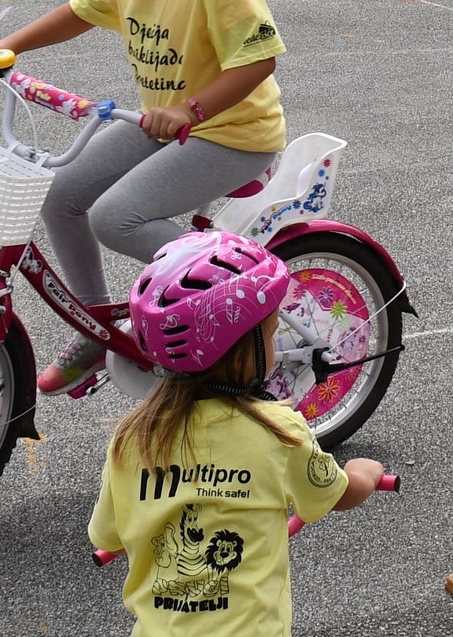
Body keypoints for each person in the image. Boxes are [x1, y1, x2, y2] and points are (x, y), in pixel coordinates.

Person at [0, 0, 289, 396]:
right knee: (62, 196)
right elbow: (82, 11)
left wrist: (191, 109)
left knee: (116, 217)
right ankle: (93, 328)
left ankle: (229, 298)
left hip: (233, 132)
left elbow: (258, 61)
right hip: (162, 124)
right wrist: (11, 45)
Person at [88, 228, 385, 634]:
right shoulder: (279, 434)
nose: (277, 344)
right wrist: (365, 473)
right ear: (245, 348)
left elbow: (109, 534)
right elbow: (339, 493)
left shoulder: (132, 438)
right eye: (270, 331)